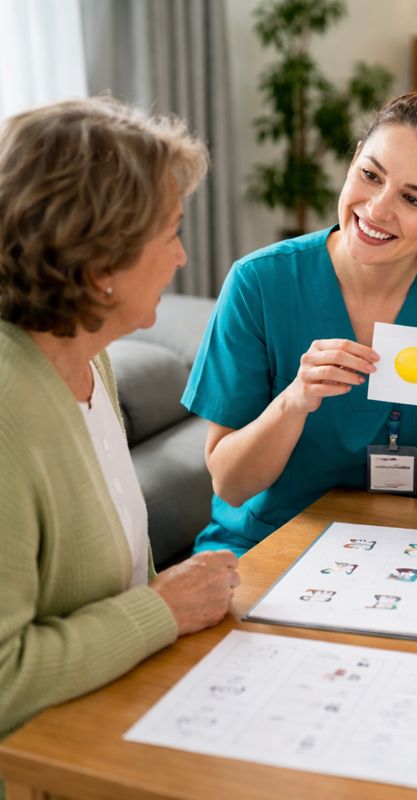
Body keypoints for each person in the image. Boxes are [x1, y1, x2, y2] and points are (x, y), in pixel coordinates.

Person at [183, 90, 417, 556]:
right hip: (263, 542)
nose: (376, 209)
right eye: (370, 175)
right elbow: (230, 483)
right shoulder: (259, 283)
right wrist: (294, 401)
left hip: (406, 548)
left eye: (413, 199)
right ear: (352, 162)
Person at [0, 97, 240, 740]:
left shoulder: (89, 360)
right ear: (101, 265)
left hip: (111, 713)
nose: (183, 258)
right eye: (171, 234)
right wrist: (163, 609)